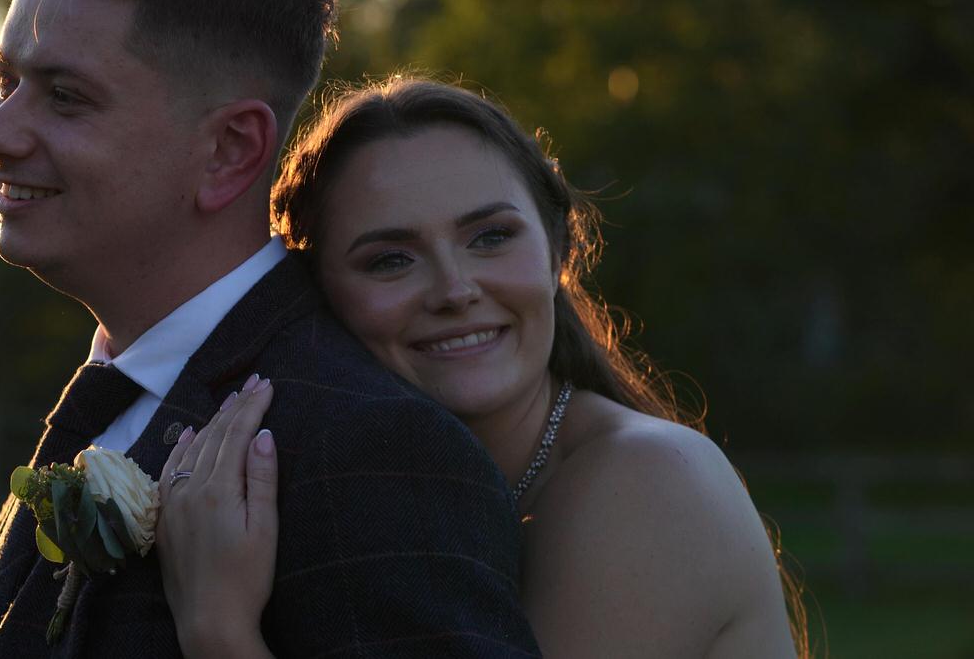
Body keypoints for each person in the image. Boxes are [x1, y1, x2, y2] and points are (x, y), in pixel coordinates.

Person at [0, 0, 542, 658]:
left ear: (230, 151)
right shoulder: (114, 394)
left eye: (64, 96)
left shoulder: (365, 451)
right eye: (6, 83)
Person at [159, 76, 807, 658]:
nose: (454, 289)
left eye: (490, 237)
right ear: (316, 292)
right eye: (390, 259)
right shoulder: (379, 508)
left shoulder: (648, 480)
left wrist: (220, 633)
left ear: (559, 246)